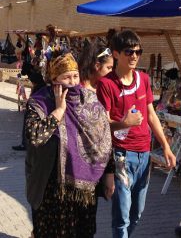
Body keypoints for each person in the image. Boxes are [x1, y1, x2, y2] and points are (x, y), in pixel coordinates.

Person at [97, 30, 176, 238]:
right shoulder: (106, 84)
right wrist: (125, 123)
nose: (134, 56)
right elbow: (102, 123)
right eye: (128, 51)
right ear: (115, 54)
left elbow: (151, 115)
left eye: (138, 52)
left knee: (137, 214)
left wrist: (166, 147)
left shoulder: (143, 79)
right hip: (121, 155)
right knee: (121, 216)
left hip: (144, 154)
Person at [25, 52, 112, 238]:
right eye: (66, 77)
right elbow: (35, 136)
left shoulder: (89, 100)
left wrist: (109, 175)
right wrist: (58, 110)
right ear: (53, 79)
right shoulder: (40, 102)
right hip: (50, 189)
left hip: (84, 193)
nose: (72, 82)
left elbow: (103, 140)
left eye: (75, 76)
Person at [78, 39, 115, 200]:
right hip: (78, 168)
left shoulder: (100, 90)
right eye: (109, 68)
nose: (112, 72)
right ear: (96, 66)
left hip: (96, 168)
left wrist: (108, 173)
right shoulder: (77, 92)